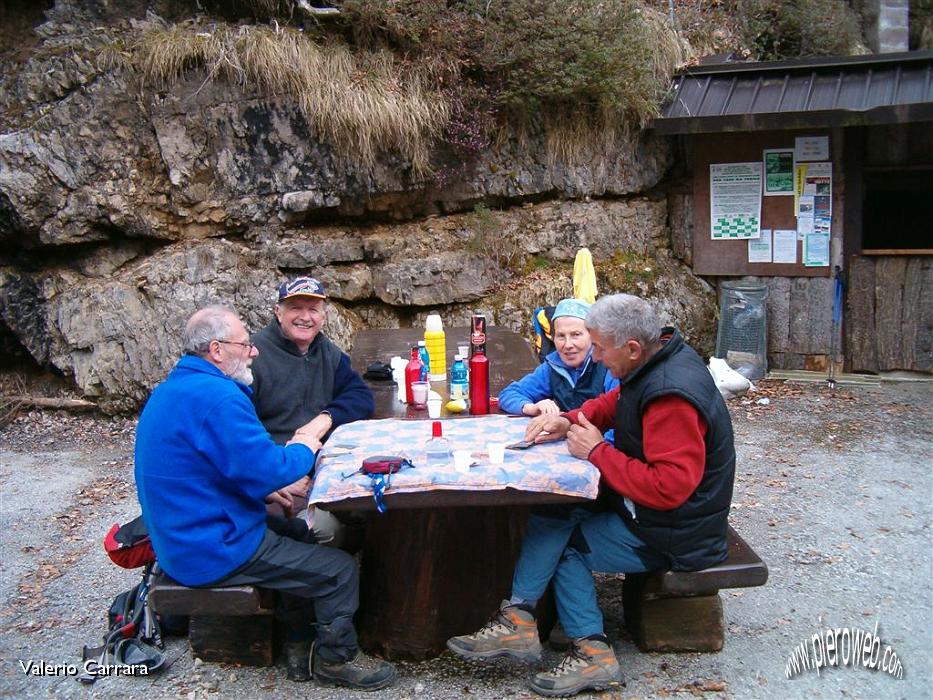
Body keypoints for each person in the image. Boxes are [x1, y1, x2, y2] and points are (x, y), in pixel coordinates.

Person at [447, 293, 736, 698]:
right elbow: (613, 403)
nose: (595, 357)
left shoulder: (671, 396)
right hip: (651, 512)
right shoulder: (655, 360)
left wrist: (598, 452)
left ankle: (593, 654)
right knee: (556, 511)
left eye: (599, 348)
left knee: (568, 549)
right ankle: (520, 619)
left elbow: (668, 489)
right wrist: (567, 420)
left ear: (632, 348)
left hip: (676, 531)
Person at [135, 306, 395, 690]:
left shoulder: (176, 388)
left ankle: (299, 641)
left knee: (301, 535)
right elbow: (273, 467)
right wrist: (306, 446)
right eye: (245, 344)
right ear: (217, 350)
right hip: (212, 548)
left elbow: (214, 466)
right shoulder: (220, 398)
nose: (253, 351)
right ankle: (335, 661)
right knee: (338, 571)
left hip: (187, 534)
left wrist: (263, 486)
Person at [250, 276, 374, 544]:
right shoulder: (254, 357)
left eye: (313, 309)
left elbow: (360, 396)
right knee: (329, 532)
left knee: (377, 507)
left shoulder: (324, 350)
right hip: (276, 477)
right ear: (278, 312)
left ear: (324, 316)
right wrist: (273, 477)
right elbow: (234, 439)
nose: (305, 317)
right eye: (296, 307)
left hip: (317, 468)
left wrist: (324, 419)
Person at [499, 297, 617, 418]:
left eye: (576, 335)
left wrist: (600, 437)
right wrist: (532, 407)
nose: (568, 345)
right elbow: (509, 394)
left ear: (593, 336)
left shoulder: (609, 367)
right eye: (561, 336)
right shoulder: (554, 366)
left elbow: (625, 416)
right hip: (570, 432)